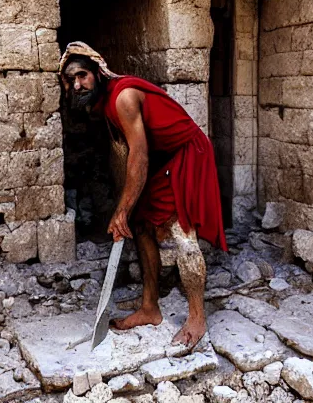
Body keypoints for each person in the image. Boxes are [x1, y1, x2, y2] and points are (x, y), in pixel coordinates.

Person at [59, 41, 227, 348]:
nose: (77, 84)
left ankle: (197, 319)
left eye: (82, 75)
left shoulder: (122, 97)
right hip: (164, 160)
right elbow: (129, 157)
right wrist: (128, 208)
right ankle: (150, 308)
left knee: (182, 231)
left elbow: (139, 157)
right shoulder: (104, 106)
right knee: (140, 225)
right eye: (70, 80)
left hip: (187, 154)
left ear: (97, 72)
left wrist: (121, 209)